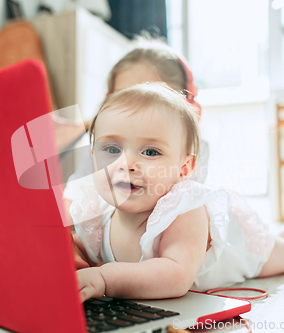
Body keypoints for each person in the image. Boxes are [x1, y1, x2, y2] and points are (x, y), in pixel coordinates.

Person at [72, 82, 284, 301]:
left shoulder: (183, 211)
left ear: (184, 169)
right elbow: (81, 248)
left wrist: (105, 277)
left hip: (242, 246)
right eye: (112, 149)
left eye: (150, 152)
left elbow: (175, 276)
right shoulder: (97, 215)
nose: (125, 164)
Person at [64, 36, 209, 269]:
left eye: (151, 151)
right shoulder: (102, 155)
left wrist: (106, 278)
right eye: (126, 98)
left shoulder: (187, 198)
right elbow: (70, 208)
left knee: (279, 252)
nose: (137, 113)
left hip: (214, 240)